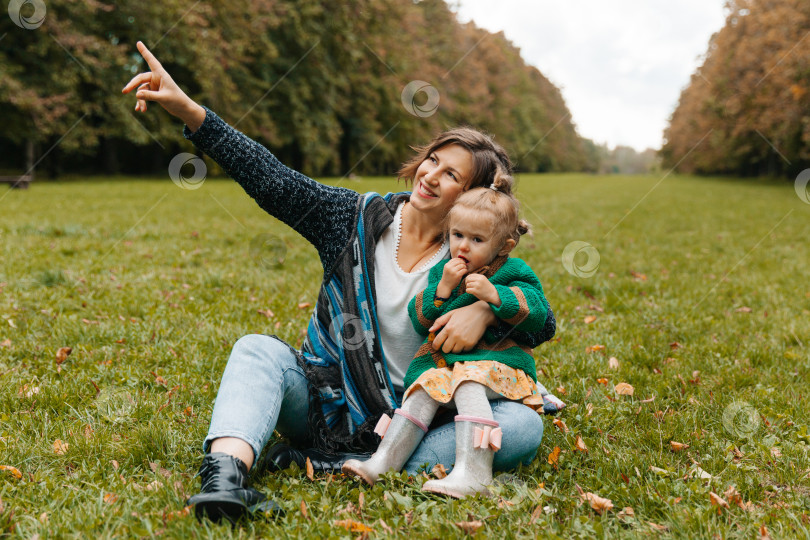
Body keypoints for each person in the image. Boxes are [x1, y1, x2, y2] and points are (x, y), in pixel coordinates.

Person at [121, 41, 561, 522]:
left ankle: (357, 462)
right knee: (256, 349)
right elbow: (275, 182)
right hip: (326, 401)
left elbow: (541, 321)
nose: (430, 175)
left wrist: (482, 307)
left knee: (521, 425)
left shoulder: (475, 257)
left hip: (415, 417)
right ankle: (225, 481)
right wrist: (190, 110)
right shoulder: (352, 219)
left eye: (451, 174)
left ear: (472, 198)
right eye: (433, 159)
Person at [343, 178, 561, 498]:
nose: (462, 246)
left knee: (468, 382)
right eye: (457, 235)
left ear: (503, 245)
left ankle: (474, 472)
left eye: (477, 239)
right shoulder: (444, 272)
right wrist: (442, 289)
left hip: (499, 368)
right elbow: (420, 321)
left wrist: (497, 297)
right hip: (447, 368)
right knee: (422, 390)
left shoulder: (513, 271)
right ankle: (383, 462)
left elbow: (538, 312)